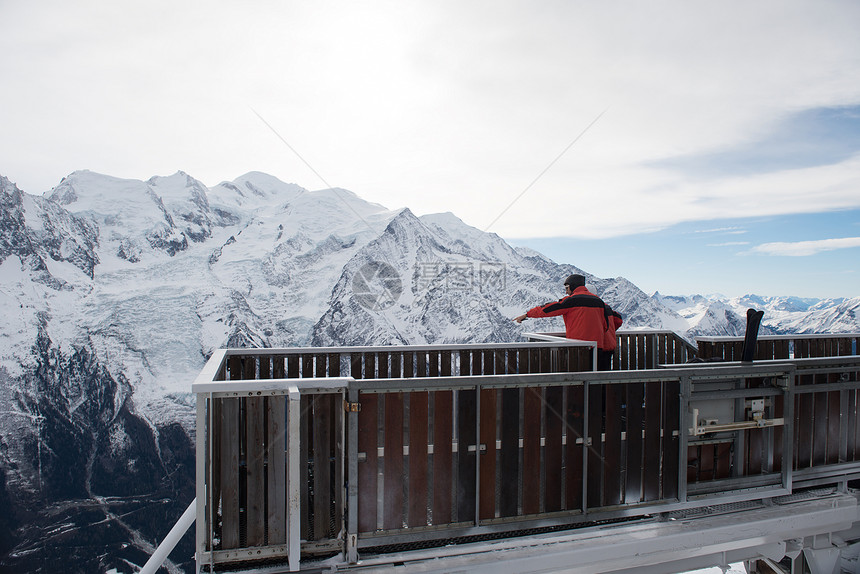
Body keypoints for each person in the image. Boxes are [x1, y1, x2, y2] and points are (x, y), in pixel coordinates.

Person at [513, 274, 616, 371]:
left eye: (567, 288)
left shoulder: (572, 300)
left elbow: (547, 309)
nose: (566, 292)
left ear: (573, 286)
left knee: (577, 379)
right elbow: (606, 325)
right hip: (597, 348)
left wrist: (527, 314)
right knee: (596, 380)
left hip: (577, 347)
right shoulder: (599, 301)